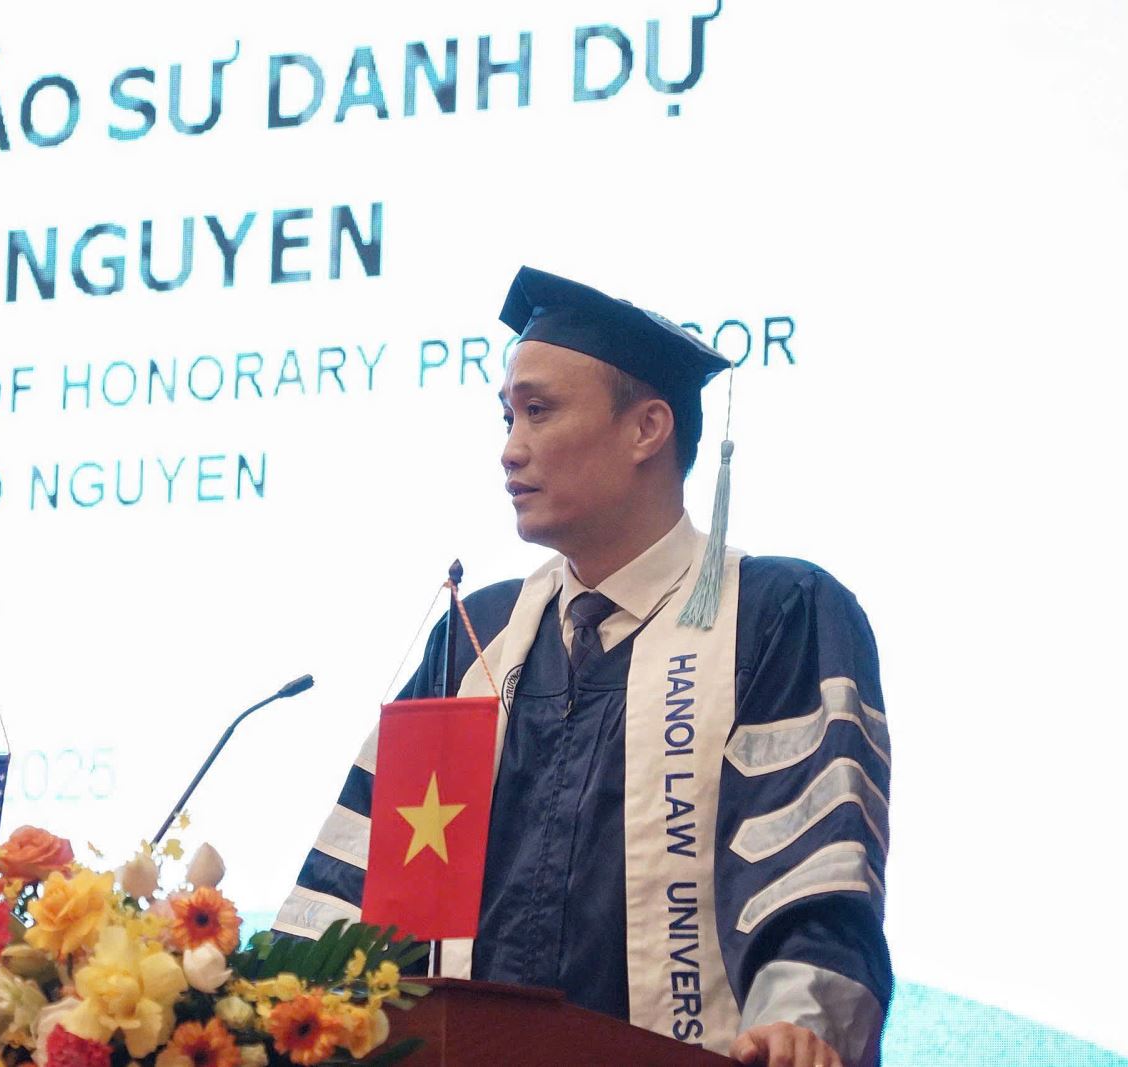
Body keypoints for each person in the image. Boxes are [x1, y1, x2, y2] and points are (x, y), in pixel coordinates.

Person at [277, 267, 891, 1067]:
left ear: (647, 429)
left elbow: (810, 872)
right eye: (507, 416)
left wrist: (794, 1024)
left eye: (539, 411)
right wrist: (270, 1017)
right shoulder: (478, 639)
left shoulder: (773, 615)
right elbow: (363, 891)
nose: (510, 449)